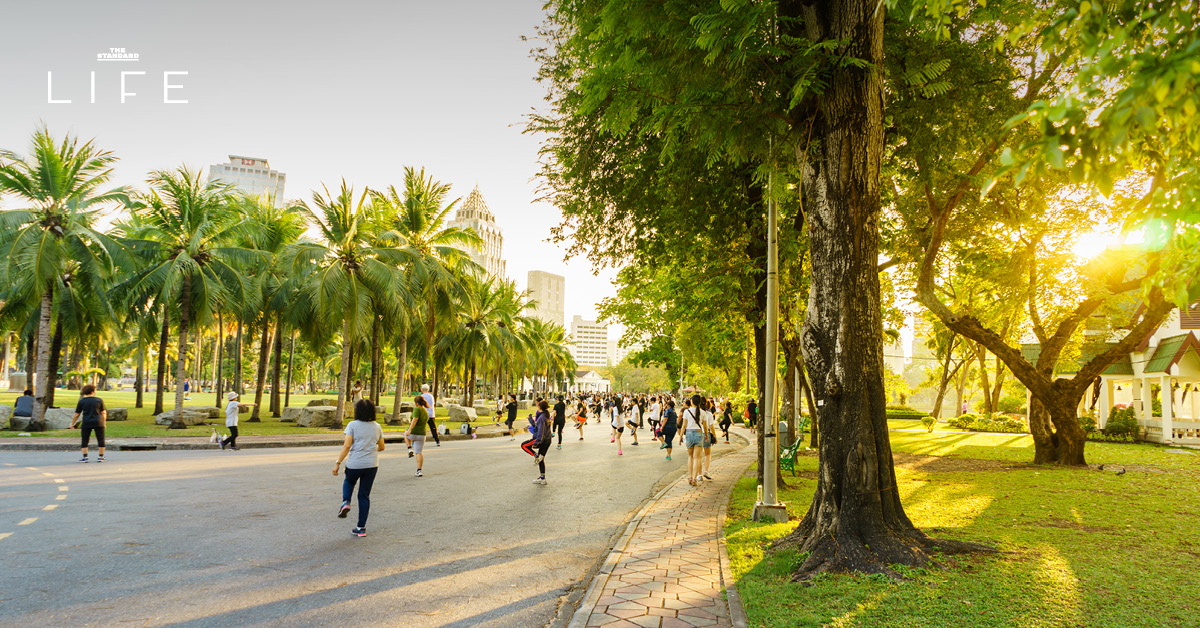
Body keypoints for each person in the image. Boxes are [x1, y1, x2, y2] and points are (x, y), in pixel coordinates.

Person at [333, 398, 385, 537]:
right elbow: (382, 447)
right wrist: (369, 449)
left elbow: (347, 446)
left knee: (349, 481)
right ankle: (361, 528)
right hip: (371, 465)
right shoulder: (377, 426)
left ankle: (346, 502)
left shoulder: (352, 425)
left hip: (355, 463)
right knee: (364, 495)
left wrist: (338, 463)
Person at [70, 384, 107, 463]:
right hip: (98, 421)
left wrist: (72, 423)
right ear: (93, 391)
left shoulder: (82, 401)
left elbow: (77, 414)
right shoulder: (99, 400)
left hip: (86, 421)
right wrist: (104, 423)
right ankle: (101, 456)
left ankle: (85, 457)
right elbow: (103, 412)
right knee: (100, 439)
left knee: (85, 439)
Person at [520, 400, 553, 485]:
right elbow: (538, 427)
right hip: (547, 439)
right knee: (541, 460)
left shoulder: (542, 417)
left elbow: (541, 431)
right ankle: (542, 478)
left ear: (539, 407)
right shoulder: (545, 415)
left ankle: (536, 456)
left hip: (542, 439)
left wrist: (537, 442)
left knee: (524, 445)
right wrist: (531, 421)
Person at [406, 394, 431, 477]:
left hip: (414, 432)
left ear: (416, 403)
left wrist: (409, 429)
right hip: (422, 434)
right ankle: (419, 470)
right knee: (419, 453)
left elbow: (415, 419)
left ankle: (409, 449)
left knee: (405, 435)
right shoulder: (426, 411)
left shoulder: (417, 409)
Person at [683, 394, 705, 485]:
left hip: (689, 433)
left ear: (692, 401)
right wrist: (707, 436)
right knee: (697, 458)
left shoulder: (686, 411)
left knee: (690, 456)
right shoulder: (703, 412)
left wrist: (680, 436)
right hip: (699, 433)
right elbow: (705, 426)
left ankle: (690, 477)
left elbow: (684, 425)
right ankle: (695, 479)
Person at [701, 398, 717, 480]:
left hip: (697, 434)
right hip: (706, 434)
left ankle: (699, 475)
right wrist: (715, 436)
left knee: (698, 456)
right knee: (707, 455)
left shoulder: (697, 413)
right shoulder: (709, 414)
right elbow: (711, 426)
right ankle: (706, 471)